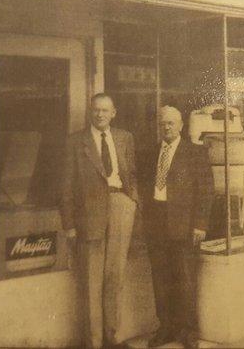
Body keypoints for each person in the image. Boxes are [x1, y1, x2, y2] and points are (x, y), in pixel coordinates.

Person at [60, 93, 139, 348]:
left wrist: (132, 201)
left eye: (105, 110)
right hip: (89, 215)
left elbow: (132, 173)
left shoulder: (125, 138)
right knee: (92, 282)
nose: (100, 115)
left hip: (120, 207)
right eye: (96, 110)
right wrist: (70, 224)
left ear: (113, 113)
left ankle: (111, 338)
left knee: (115, 277)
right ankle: (93, 343)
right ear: (90, 112)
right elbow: (66, 187)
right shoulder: (76, 142)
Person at [141, 106, 214, 349]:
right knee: (161, 279)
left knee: (185, 279)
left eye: (172, 123)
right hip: (157, 224)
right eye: (163, 123)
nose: (167, 127)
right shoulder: (152, 153)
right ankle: (166, 327)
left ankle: (188, 331)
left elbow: (206, 191)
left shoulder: (195, 153)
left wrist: (200, 224)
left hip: (184, 225)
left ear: (182, 125)